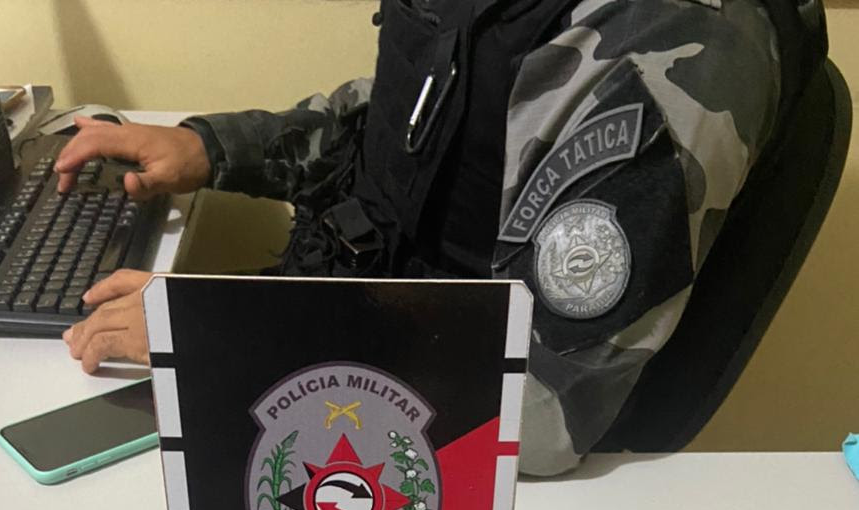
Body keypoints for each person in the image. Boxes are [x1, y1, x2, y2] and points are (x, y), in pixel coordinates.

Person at [56, 0, 828, 475]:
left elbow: (540, 409)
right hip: (359, 337)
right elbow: (421, 127)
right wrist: (216, 147)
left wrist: (225, 335)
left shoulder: (671, 35)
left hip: (446, 453)